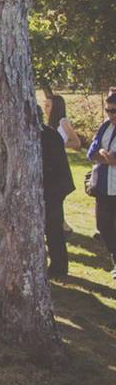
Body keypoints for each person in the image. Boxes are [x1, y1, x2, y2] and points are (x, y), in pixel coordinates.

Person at [40, 108, 76, 278]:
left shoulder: (49, 136)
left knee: (53, 228)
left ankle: (59, 268)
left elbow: (54, 166)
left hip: (54, 187)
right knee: (50, 228)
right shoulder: (47, 134)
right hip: (49, 187)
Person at [86, 92, 116, 279]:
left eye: (114, 110)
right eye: (108, 110)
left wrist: (106, 156)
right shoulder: (105, 126)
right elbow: (91, 152)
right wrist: (105, 154)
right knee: (103, 225)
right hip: (104, 186)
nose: (111, 114)